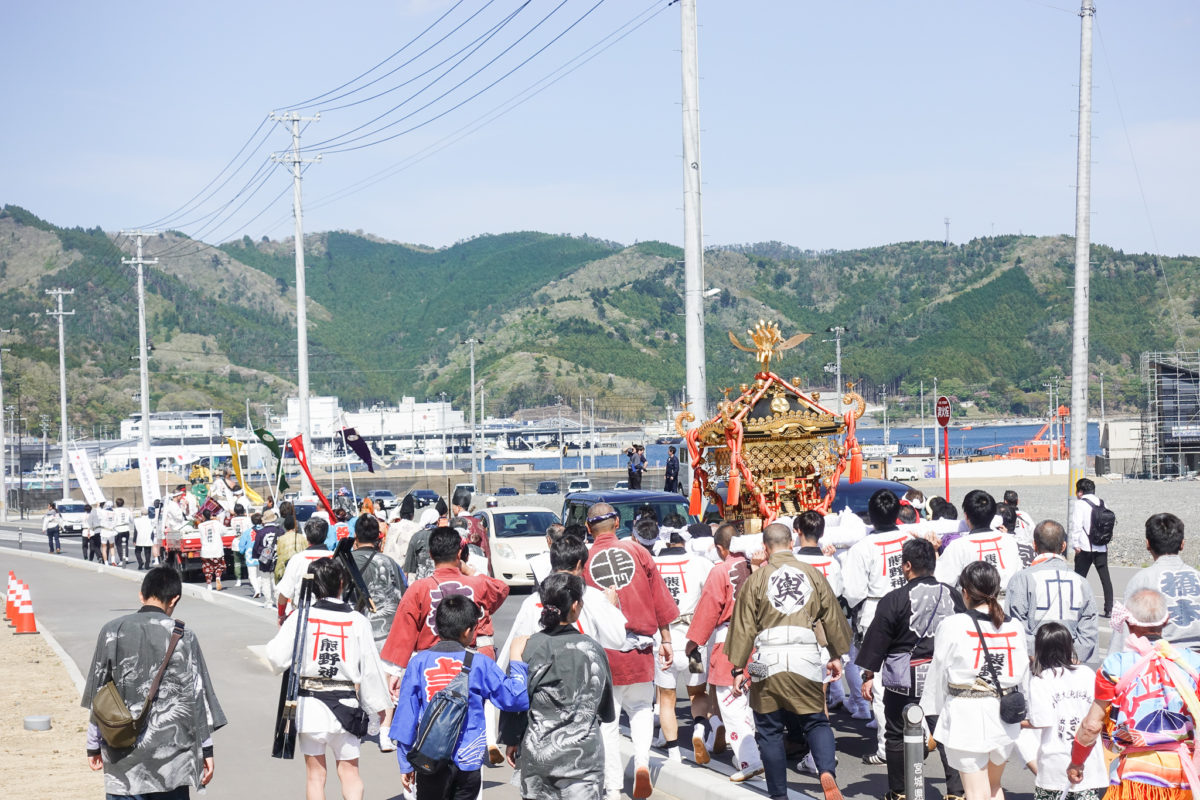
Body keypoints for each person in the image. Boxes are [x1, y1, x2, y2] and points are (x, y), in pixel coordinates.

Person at [725, 522, 851, 800]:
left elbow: (744, 626)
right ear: (791, 543)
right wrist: (835, 655)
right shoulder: (812, 573)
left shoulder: (755, 580)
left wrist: (737, 669)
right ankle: (825, 769)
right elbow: (832, 616)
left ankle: (779, 795)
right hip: (806, 654)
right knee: (816, 721)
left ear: (765, 547)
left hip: (764, 658)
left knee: (768, 729)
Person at [83, 566, 226, 797]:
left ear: (141, 595)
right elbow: (197, 699)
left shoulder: (112, 631)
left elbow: (99, 697)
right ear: (175, 599)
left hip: (122, 763)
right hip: (172, 764)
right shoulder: (185, 637)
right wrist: (206, 750)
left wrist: (93, 745)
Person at [266, 558, 391, 800]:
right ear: (342, 583)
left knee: (315, 776)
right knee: (350, 772)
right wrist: (379, 707)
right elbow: (370, 669)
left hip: (310, 705)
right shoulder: (357, 621)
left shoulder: (301, 617)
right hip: (347, 705)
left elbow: (276, 656)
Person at [856, 538, 967, 800]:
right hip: (943, 674)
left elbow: (878, 639)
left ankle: (900, 791)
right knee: (945, 732)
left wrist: (869, 674)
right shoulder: (952, 594)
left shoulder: (894, 599)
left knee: (896, 731)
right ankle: (956, 792)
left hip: (903, 676)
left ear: (906, 566)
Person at [583, 502, 678, 800]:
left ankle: (613, 789)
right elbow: (659, 599)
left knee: (608, 724)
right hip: (641, 646)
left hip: (604, 652)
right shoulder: (638, 551)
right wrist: (666, 640)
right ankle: (641, 762)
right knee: (640, 709)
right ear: (617, 524)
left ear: (589, 528)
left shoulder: (584, 559)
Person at [391, 595, 530, 800]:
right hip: (468, 759)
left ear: (437, 627)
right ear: (468, 631)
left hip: (429, 757)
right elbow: (515, 699)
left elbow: (406, 717)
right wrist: (517, 661)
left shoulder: (418, 663)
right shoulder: (480, 663)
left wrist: (405, 762)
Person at [1068, 588, 1200, 799]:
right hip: (1182, 775)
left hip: (1134, 775)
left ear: (1128, 624)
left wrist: (1077, 761)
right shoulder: (1193, 664)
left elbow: (1092, 725)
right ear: (1166, 621)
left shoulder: (1115, 666)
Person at [921, 561, 1029, 800]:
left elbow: (937, 674)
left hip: (966, 716)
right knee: (993, 787)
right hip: (1005, 715)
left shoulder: (953, 625)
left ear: (965, 592)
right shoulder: (1015, 626)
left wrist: (932, 713)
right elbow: (1025, 676)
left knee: (975, 792)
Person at [503, 572, 616, 800]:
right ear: (575, 606)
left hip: (538, 754)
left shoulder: (527, 647)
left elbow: (515, 697)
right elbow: (604, 708)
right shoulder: (593, 649)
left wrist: (512, 739)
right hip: (583, 759)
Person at [685, 522, 763, 782]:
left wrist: (694, 641)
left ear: (720, 548)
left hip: (728, 641)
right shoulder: (757, 565)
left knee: (731, 703)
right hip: (760, 641)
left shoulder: (720, 571)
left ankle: (749, 759)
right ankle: (752, 752)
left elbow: (708, 610)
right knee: (750, 699)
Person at [380, 527, 510, 676]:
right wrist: (470, 571)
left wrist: (394, 673)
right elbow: (501, 589)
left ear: (431, 555)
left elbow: (402, 633)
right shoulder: (478, 584)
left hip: (430, 667)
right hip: (473, 665)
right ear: (459, 553)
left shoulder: (418, 588)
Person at [843, 490, 914, 733]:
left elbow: (852, 591)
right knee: (915, 670)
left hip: (876, 612)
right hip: (911, 607)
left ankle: (887, 742)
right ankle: (919, 731)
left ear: (870, 517)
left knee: (880, 680)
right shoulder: (909, 538)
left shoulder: (862, 547)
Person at [652, 528, 714, 763]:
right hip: (693, 643)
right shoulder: (700, 563)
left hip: (663, 642)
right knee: (697, 693)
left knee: (666, 698)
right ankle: (699, 729)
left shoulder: (653, 565)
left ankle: (673, 752)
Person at [1025, 623, 1107, 800]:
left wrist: (1018, 723)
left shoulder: (1041, 679)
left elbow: (1041, 720)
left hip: (1054, 763)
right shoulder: (1087, 674)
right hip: (1087, 760)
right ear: (1069, 646)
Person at [1005, 519, 1099, 662]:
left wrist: (1032, 652)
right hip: (1071, 661)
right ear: (1063, 546)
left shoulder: (1022, 579)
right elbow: (1089, 620)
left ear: (1034, 545)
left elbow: (1015, 620)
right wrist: (1077, 654)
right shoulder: (1081, 582)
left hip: (1034, 660)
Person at [1109, 512, 1200, 654]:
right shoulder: (1197, 576)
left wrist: (1114, 662)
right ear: (1182, 544)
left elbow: (1126, 628)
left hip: (1163, 663)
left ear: (1148, 544)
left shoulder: (1142, 580)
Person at [935, 490, 1022, 595]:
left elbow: (941, 583)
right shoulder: (1010, 541)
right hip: (1008, 604)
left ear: (966, 517)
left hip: (973, 606)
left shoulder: (958, 546)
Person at [276, 517, 333, 621]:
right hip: (333, 615)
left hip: (304, 615)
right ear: (326, 535)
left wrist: (281, 615)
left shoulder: (297, 559)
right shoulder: (335, 558)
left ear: (307, 536)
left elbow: (285, 592)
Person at [1071, 478, 1113, 617]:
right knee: (1105, 577)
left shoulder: (1080, 504)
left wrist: (1075, 544)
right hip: (1101, 546)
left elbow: (1077, 525)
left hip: (1085, 547)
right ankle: (1109, 609)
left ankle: (1075, 606)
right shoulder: (1102, 502)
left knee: (1079, 578)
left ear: (1081, 491)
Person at [253, 509, 283, 607]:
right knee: (277, 582)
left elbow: (256, 547)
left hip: (264, 559)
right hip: (278, 558)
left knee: (265, 580)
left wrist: (257, 557)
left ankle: (268, 601)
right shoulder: (280, 531)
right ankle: (279, 601)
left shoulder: (261, 532)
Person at [274, 501, 305, 584]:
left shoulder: (277, 522)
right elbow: (300, 535)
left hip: (282, 550)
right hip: (295, 551)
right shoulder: (296, 522)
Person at [197, 508, 226, 591]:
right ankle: (218, 578)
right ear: (211, 515)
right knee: (218, 566)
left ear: (203, 516)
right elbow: (224, 531)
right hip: (217, 549)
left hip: (206, 551)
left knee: (207, 568)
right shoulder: (216, 523)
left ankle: (209, 584)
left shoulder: (200, 526)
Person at [238, 511, 264, 597]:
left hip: (250, 555)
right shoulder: (264, 530)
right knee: (260, 574)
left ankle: (257, 590)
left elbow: (242, 544)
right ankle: (259, 589)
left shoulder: (248, 532)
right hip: (262, 555)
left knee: (252, 575)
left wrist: (242, 551)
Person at [227, 503, 251, 588]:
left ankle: (238, 580)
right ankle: (251, 578)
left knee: (237, 563)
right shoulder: (247, 519)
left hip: (236, 542)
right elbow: (250, 529)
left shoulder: (233, 520)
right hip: (245, 542)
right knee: (248, 562)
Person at [133, 506, 156, 570]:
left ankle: (140, 562)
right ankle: (147, 564)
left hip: (139, 537)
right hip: (148, 537)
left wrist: (134, 540)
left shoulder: (137, 520)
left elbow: (135, 531)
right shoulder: (151, 520)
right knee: (147, 551)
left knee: (137, 551)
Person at [113, 497, 134, 566]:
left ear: (116, 504)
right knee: (125, 544)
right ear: (123, 503)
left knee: (119, 545)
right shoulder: (127, 510)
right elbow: (131, 520)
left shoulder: (114, 511)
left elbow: (113, 521)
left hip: (118, 529)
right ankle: (126, 558)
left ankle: (122, 559)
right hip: (126, 528)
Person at [98, 500, 118, 566]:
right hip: (112, 531)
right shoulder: (114, 512)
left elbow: (98, 516)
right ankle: (113, 560)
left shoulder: (102, 511)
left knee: (104, 547)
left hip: (104, 531)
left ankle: (106, 562)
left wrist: (98, 506)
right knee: (112, 546)